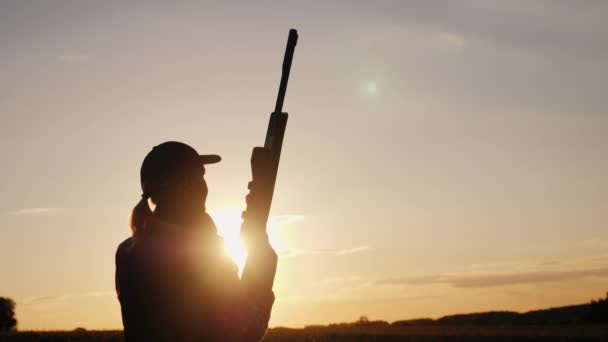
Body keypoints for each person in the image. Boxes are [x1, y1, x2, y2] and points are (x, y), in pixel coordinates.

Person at [115, 141, 278, 341]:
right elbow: (243, 330)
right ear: (184, 185)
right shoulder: (197, 253)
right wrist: (261, 251)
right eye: (199, 176)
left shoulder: (128, 252)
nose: (204, 187)